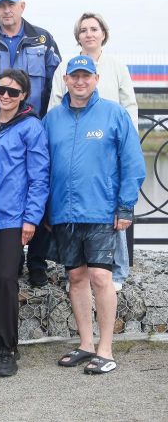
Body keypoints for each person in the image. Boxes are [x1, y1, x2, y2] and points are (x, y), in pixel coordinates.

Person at [45, 55, 145, 375]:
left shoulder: (114, 114)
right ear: (65, 80)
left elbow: (133, 163)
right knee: (76, 278)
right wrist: (45, 209)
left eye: (85, 76)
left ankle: (106, 349)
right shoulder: (52, 119)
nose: (79, 81)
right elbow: (42, 166)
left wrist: (125, 206)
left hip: (102, 211)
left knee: (101, 278)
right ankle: (86, 344)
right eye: (74, 76)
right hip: (64, 213)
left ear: (96, 79)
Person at [0, 0, 61, 288]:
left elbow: (56, 85)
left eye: (11, 4)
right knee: (5, 189)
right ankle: (13, 259)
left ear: (22, 6)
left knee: (38, 186)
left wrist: (43, 124)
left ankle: (37, 261)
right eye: (1, 5)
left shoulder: (43, 40)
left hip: (33, 128)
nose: (6, 10)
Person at [48, 12, 138, 291]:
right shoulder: (64, 66)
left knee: (111, 209)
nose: (89, 34)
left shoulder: (116, 66)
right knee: (75, 207)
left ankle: (116, 272)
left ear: (103, 33)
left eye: (94, 29)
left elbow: (129, 103)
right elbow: (55, 101)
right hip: (73, 137)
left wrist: (129, 138)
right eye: (83, 29)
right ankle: (77, 274)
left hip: (108, 141)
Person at [0, 69, 49, 377]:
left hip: (13, 217)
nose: (5, 95)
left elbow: (39, 177)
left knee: (6, 278)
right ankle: (0, 340)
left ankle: (10, 349)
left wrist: (31, 218)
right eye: (1, 89)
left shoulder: (31, 127)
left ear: (23, 95)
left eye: (13, 92)